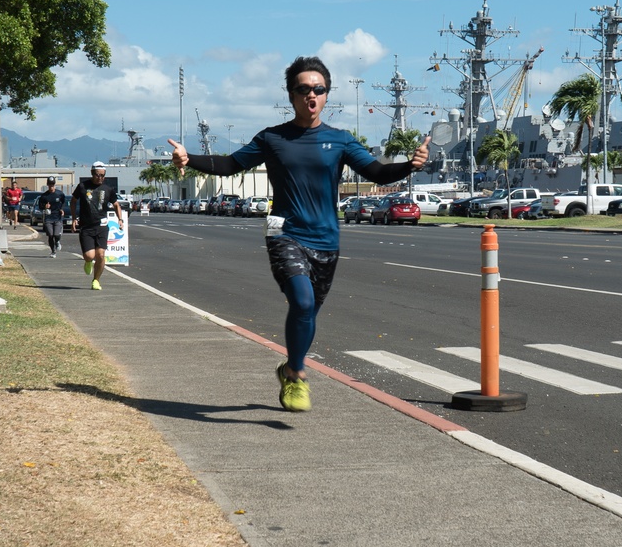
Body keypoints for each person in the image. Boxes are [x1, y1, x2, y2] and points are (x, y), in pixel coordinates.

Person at [168, 56, 430, 412]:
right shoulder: (273, 138)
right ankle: (300, 375)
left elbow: (377, 173)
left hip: (327, 241)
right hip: (285, 234)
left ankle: (290, 368)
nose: (312, 95)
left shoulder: (340, 141)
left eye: (319, 90)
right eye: (304, 89)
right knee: (302, 302)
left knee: (309, 314)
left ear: (327, 95)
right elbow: (231, 164)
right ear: (291, 95)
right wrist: (189, 158)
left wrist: (408, 166)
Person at [71, 163, 123, 290]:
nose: (100, 178)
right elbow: (73, 201)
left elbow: (116, 205)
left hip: (102, 226)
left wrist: (120, 219)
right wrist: (73, 218)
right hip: (86, 227)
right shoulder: (83, 186)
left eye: (102, 175)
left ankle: (96, 280)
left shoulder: (108, 189)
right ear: (92, 173)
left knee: (100, 254)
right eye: (97, 175)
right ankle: (88, 262)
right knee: (89, 255)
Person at [38, 176, 67, 257]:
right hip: (48, 217)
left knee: (56, 234)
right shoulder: (44, 196)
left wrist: (62, 209)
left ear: (55, 184)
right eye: (50, 184)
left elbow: (64, 202)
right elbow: (40, 206)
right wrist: (45, 206)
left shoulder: (60, 194)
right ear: (47, 184)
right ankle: (53, 251)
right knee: (50, 235)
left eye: (52, 184)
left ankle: (57, 241)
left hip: (57, 217)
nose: (51, 186)